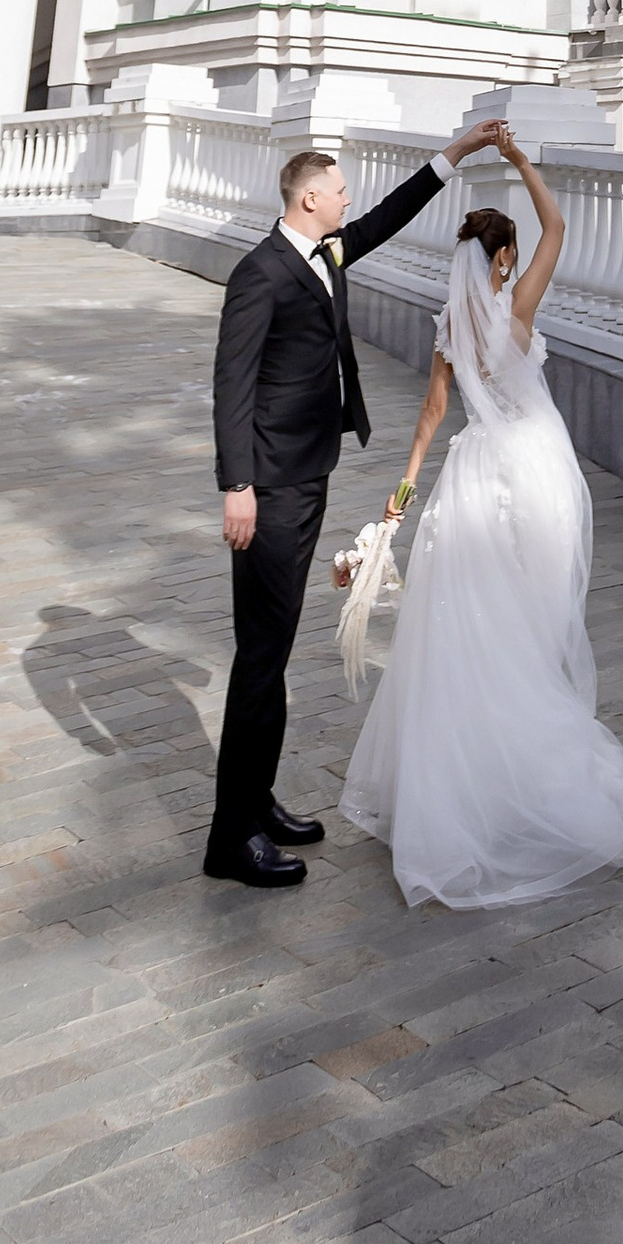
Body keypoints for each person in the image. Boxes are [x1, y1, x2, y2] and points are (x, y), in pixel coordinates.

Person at [339, 128, 623, 909]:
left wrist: (402, 496)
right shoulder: (516, 304)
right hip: (537, 469)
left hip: (476, 475)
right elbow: (559, 228)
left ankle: (475, 779)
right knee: (535, 623)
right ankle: (533, 772)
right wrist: (522, 162)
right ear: (505, 260)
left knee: (472, 630)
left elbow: (430, 416)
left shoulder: (452, 329)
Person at [207, 115, 509, 887]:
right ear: (309, 199)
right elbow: (231, 387)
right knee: (261, 654)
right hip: (269, 486)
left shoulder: (325, 252)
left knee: (273, 652)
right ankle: (231, 840)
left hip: (307, 472)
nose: (349, 202)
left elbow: (390, 215)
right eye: (338, 192)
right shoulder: (261, 273)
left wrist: (459, 152)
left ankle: (258, 801)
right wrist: (236, 487)